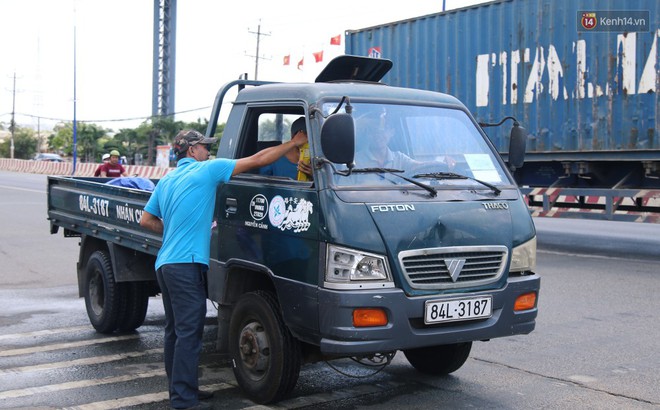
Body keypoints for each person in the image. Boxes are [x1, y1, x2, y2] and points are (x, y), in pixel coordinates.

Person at [139, 129, 307, 409]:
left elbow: (146, 220)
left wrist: (175, 231)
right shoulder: (207, 170)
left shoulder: (167, 179)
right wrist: (293, 143)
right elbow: (258, 159)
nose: (209, 151)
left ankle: (182, 389)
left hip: (165, 264)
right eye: (205, 147)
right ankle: (183, 401)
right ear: (192, 150)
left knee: (175, 332)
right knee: (189, 333)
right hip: (185, 265)